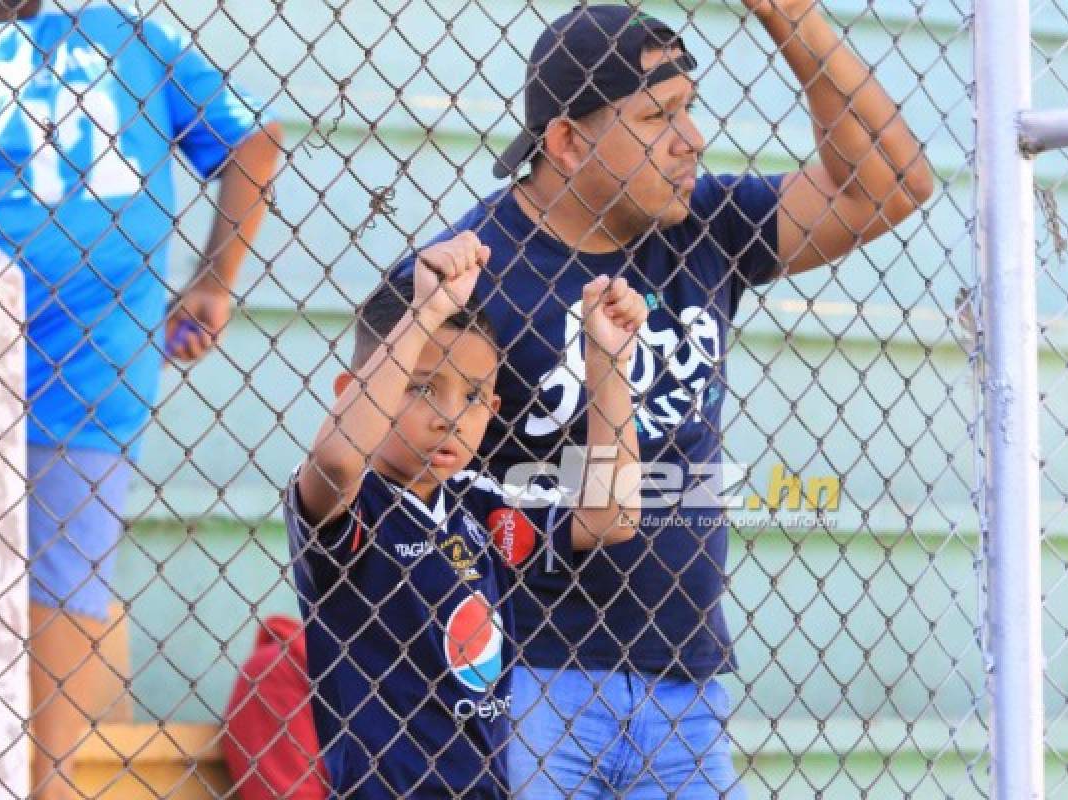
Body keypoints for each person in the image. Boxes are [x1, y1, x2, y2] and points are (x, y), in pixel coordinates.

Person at [392, 3, 934, 797]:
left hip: (686, 683)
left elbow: (892, 184)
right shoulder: (470, 277)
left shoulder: (700, 226)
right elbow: (389, 484)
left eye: (689, 108)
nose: (692, 138)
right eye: (656, 116)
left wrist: (794, 19)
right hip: (525, 680)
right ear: (568, 142)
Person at [0, 1, 282, 797]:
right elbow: (255, 137)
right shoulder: (126, 39)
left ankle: (31, 780)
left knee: (7, 578)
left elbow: (254, 137)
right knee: (67, 579)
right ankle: (42, 781)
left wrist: (214, 281)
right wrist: (215, 282)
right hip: (75, 355)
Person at [285, 231, 647, 798]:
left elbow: (613, 515)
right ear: (349, 393)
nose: (449, 417)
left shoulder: (481, 507)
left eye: (474, 396)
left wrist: (609, 364)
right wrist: (425, 311)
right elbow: (336, 456)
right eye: (422, 388)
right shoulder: (354, 504)